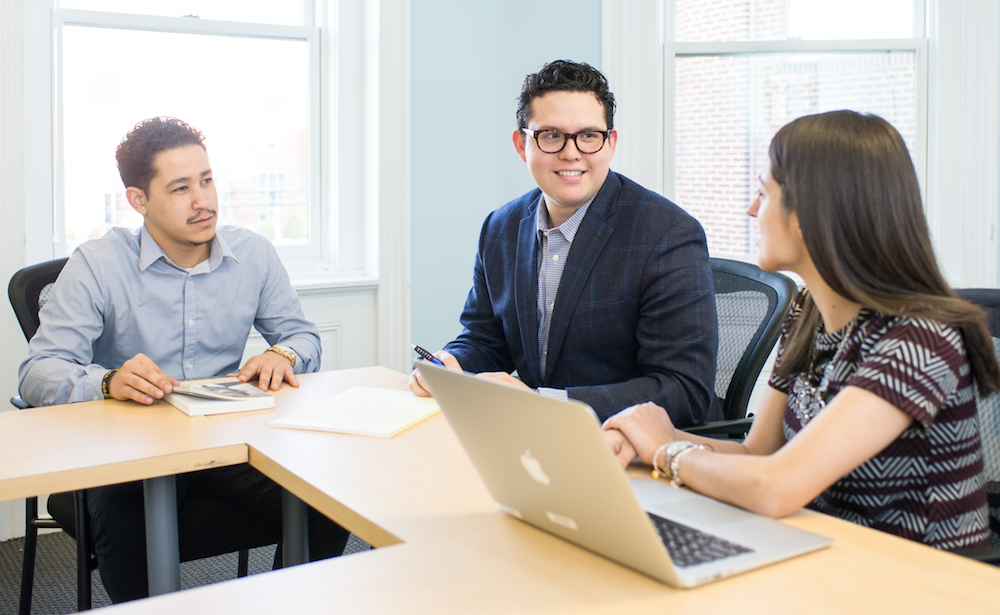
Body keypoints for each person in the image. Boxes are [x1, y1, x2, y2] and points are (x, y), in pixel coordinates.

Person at [604, 110, 1000, 549]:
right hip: (819, 549)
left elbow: (775, 486)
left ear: (809, 213)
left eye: (762, 193)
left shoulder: (920, 339)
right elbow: (760, 455)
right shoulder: (808, 311)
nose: (752, 210)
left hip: (913, 581)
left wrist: (668, 452)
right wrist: (650, 439)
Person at [18, 117, 349, 602]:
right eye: (180, 188)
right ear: (139, 200)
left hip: (227, 442)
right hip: (127, 452)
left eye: (207, 181)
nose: (204, 201)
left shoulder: (253, 255)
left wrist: (283, 353)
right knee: (128, 524)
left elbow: (302, 336)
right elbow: (37, 373)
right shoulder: (97, 264)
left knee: (326, 498)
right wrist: (108, 381)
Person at [409, 60, 720, 425]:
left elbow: (684, 390)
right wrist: (450, 365)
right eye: (551, 135)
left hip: (632, 450)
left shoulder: (666, 233)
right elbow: (485, 338)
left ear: (610, 143)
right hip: (533, 439)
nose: (571, 153)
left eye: (589, 135)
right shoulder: (500, 227)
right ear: (521, 144)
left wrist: (543, 403)